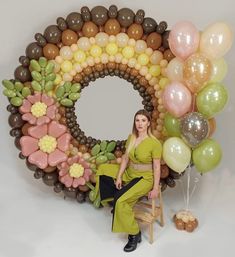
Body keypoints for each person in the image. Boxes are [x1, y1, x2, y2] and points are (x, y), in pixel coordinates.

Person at [94, 109, 162, 252]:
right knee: (103, 170)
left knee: (122, 201)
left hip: (145, 178)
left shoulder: (154, 143)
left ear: (149, 123)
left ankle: (134, 233)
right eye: (137, 120)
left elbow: (156, 167)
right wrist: (119, 176)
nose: (140, 123)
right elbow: (125, 158)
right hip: (130, 172)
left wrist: (155, 188)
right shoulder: (131, 138)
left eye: (143, 120)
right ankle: (114, 202)